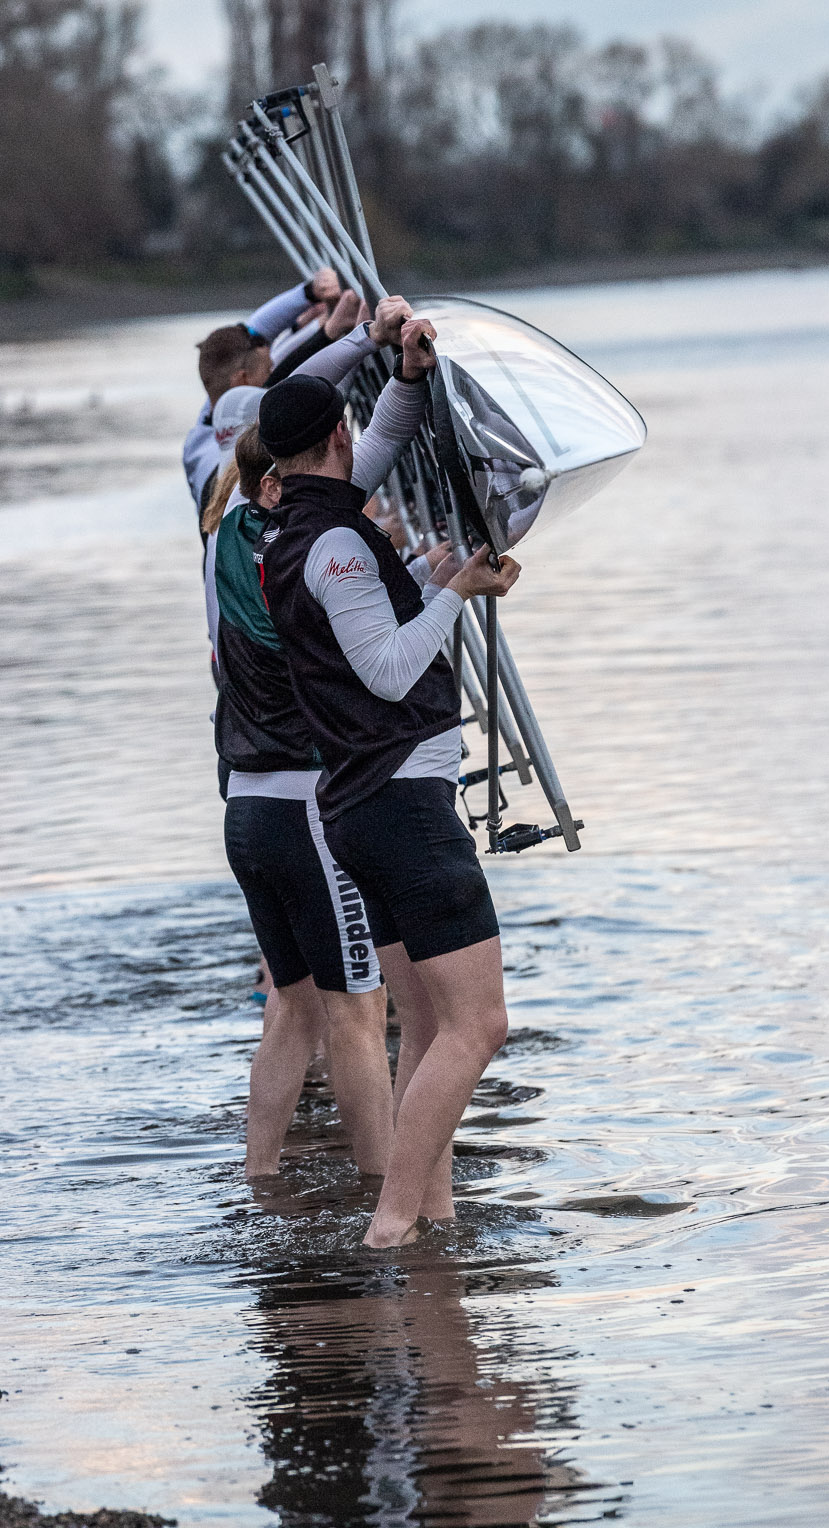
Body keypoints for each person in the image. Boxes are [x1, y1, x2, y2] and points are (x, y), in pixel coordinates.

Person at [255, 323, 521, 1247]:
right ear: (335, 434)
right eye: (353, 428)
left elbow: (384, 439)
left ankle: (432, 1223)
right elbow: (387, 670)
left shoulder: (301, 518)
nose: (361, 440)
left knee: (423, 1019)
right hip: (400, 802)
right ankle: (394, 1224)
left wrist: (404, 376)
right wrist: (458, 591)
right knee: (479, 1025)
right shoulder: (331, 545)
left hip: (366, 804)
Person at [209, 298, 447, 1181]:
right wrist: (427, 579)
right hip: (309, 809)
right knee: (358, 1013)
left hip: (243, 809)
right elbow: (353, 463)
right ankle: (393, 1201)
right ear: (286, 477)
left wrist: (387, 367)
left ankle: (258, 1184)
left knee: (291, 1011)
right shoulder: (312, 548)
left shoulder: (224, 535)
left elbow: (350, 449)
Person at [182, 268, 350, 519]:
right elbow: (284, 387)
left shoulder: (203, 424)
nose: (273, 369)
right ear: (241, 381)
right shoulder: (244, 451)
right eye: (268, 369)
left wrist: (310, 294)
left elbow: (254, 336)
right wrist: (335, 334)